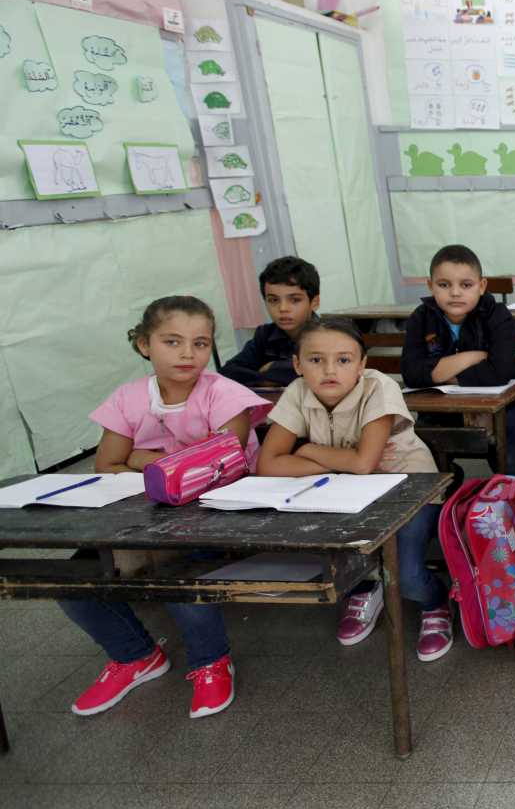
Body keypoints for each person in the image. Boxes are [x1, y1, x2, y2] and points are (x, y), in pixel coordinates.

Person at [68, 296, 269, 718]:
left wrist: (140, 457)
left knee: (179, 569)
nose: (187, 354)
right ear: (144, 345)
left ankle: (211, 661)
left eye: (200, 343)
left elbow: (219, 466)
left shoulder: (225, 394)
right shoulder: (128, 398)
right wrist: (173, 463)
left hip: (220, 513)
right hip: (146, 513)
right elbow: (106, 465)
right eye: (172, 342)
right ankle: (135, 655)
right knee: (75, 575)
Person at [258, 317, 455, 660]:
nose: (329, 370)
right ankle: (368, 588)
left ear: (362, 364)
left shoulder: (378, 387)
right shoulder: (297, 392)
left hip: (410, 489)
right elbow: (268, 464)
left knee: (407, 575)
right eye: (315, 360)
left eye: (344, 359)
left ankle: (435, 602)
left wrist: (306, 450)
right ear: (297, 365)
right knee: (348, 564)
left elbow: (364, 463)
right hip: (346, 492)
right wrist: (339, 462)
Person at [401, 243, 515, 484]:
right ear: (430, 286)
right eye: (444, 285)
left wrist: (438, 371)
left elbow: (500, 371)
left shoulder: (497, 315)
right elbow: (412, 374)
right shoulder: (420, 317)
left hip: (503, 406)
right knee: (420, 454)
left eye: (466, 285)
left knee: (514, 461)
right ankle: (450, 484)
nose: (455, 293)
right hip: (440, 408)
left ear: (481, 286)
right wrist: (470, 357)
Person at [219, 256, 320, 387]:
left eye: (294, 300)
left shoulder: (330, 336)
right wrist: (267, 379)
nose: (283, 309)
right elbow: (228, 372)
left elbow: (320, 372)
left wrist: (273, 367)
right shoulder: (265, 335)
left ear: (314, 302)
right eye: (273, 300)